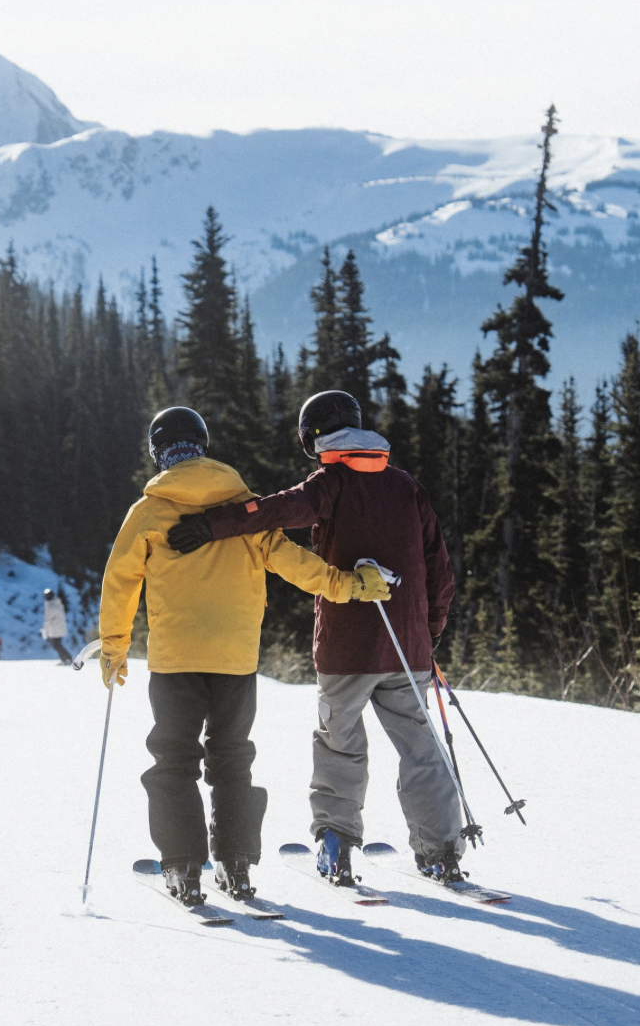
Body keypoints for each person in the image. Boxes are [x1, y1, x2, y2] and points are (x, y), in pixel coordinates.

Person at [168, 389, 463, 888]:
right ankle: (440, 854)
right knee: (422, 748)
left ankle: (335, 846)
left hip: (346, 649)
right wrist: (427, 634)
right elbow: (440, 568)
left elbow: (273, 512)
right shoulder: (407, 486)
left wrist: (210, 525)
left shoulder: (330, 483)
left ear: (316, 436)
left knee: (340, 745)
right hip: (408, 649)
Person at [99, 405, 389, 907]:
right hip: (236, 660)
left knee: (173, 760)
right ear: (204, 445)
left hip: (175, 660)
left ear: (159, 453)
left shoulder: (148, 510)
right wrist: (351, 586)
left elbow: (120, 580)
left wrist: (114, 646)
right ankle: (236, 865)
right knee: (232, 761)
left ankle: (185, 868)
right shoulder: (244, 507)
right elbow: (297, 564)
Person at [42, 588, 72, 664]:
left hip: (56, 627)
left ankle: (67, 658)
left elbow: (49, 618)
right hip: (56, 628)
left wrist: (45, 628)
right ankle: (65, 659)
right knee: (56, 644)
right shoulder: (55, 602)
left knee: (56, 644)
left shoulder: (52, 604)